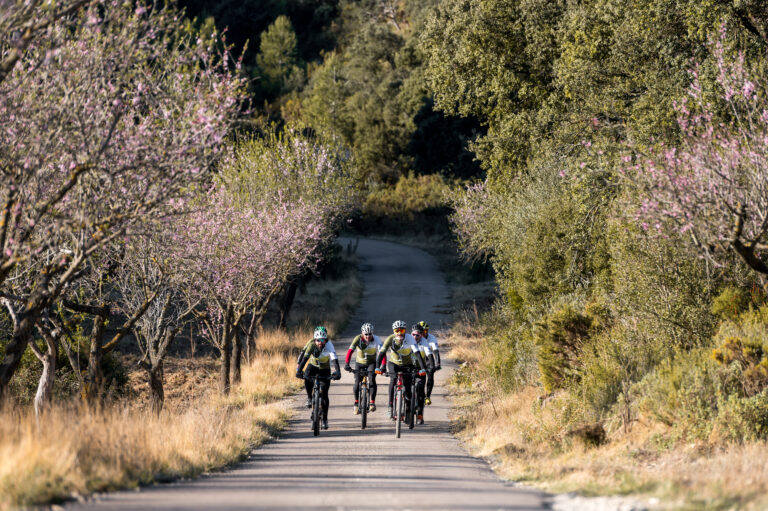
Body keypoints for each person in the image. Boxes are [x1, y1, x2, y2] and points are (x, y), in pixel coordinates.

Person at [375, 320, 426, 420]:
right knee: (393, 380)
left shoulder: (410, 338)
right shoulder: (390, 339)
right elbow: (381, 354)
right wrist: (378, 367)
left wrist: (422, 368)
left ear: (405, 331)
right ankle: (390, 407)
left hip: (408, 364)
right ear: (393, 331)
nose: (399, 333)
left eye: (401, 330)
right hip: (394, 363)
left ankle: (407, 410)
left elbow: (417, 354)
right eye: (397, 330)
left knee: (408, 388)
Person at [295, 326, 341, 430]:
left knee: (324, 393)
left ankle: (324, 419)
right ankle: (309, 398)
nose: (320, 342)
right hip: (313, 366)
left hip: (325, 368)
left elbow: (334, 359)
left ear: (326, 340)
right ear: (314, 340)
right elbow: (305, 358)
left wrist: (338, 372)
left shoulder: (329, 346)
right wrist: (298, 371)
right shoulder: (311, 344)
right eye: (318, 340)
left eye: (322, 340)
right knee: (307, 377)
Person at [344, 322, 383, 413]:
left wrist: (382, 365)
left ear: (372, 333)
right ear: (362, 333)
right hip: (359, 364)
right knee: (357, 382)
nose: (368, 336)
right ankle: (356, 403)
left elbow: (382, 353)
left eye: (370, 334)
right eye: (366, 334)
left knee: (372, 379)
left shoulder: (376, 339)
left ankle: (372, 402)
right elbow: (350, 351)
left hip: (371, 363)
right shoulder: (357, 339)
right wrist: (347, 364)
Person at [411, 323, 435, 425]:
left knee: (420, 389)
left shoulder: (424, 342)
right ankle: (404, 410)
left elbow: (429, 355)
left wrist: (432, 366)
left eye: (418, 335)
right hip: (408, 368)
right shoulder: (406, 340)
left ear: (421, 335)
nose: (415, 337)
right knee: (405, 389)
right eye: (413, 335)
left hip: (420, 369)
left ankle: (420, 414)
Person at [418, 320, 441, 405]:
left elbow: (435, 351)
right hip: (418, 358)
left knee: (430, 375)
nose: (424, 333)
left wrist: (438, 363)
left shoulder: (431, 338)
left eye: (426, 331)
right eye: (422, 331)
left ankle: (427, 396)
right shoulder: (414, 336)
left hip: (428, 359)